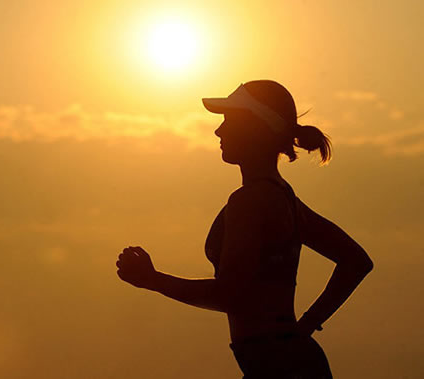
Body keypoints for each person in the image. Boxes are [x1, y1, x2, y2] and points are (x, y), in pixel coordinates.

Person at [115, 80, 374, 378]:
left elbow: (229, 295)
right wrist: (303, 327)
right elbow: (356, 262)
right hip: (287, 361)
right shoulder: (284, 197)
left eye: (229, 121)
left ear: (257, 129)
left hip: (277, 366)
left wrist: (153, 280)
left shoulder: (249, 201)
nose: (218, 131)